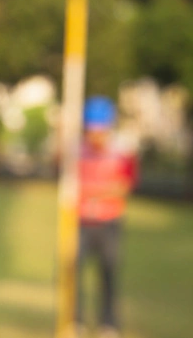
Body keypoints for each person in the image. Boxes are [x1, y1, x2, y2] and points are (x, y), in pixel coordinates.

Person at [75, 96, 138, 338]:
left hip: (110, 220)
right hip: (81, 221)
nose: (95, 137)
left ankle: (108, 324)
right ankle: (75, 321)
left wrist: (93, 192)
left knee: (109, 271)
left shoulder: (122, 151)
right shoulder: (76, 150)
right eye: (91, 131)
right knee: (74, 270)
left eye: (99, 131)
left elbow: (123, 186)